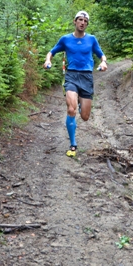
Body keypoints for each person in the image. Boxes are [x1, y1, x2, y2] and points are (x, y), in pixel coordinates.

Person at [43, 11, 107, 157]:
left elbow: (100, 54)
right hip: (71, 75)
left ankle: (79, 101)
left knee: (85, 116)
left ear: (87, 24)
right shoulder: (65, 39)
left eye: (85, 21)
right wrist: (48, 60)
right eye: (80, 20)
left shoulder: (91, 39)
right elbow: (51, 52)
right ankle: (73, 144)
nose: (82, 23)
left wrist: (103, 62)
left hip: (86, 77)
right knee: (71, 110)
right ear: (75, 21)